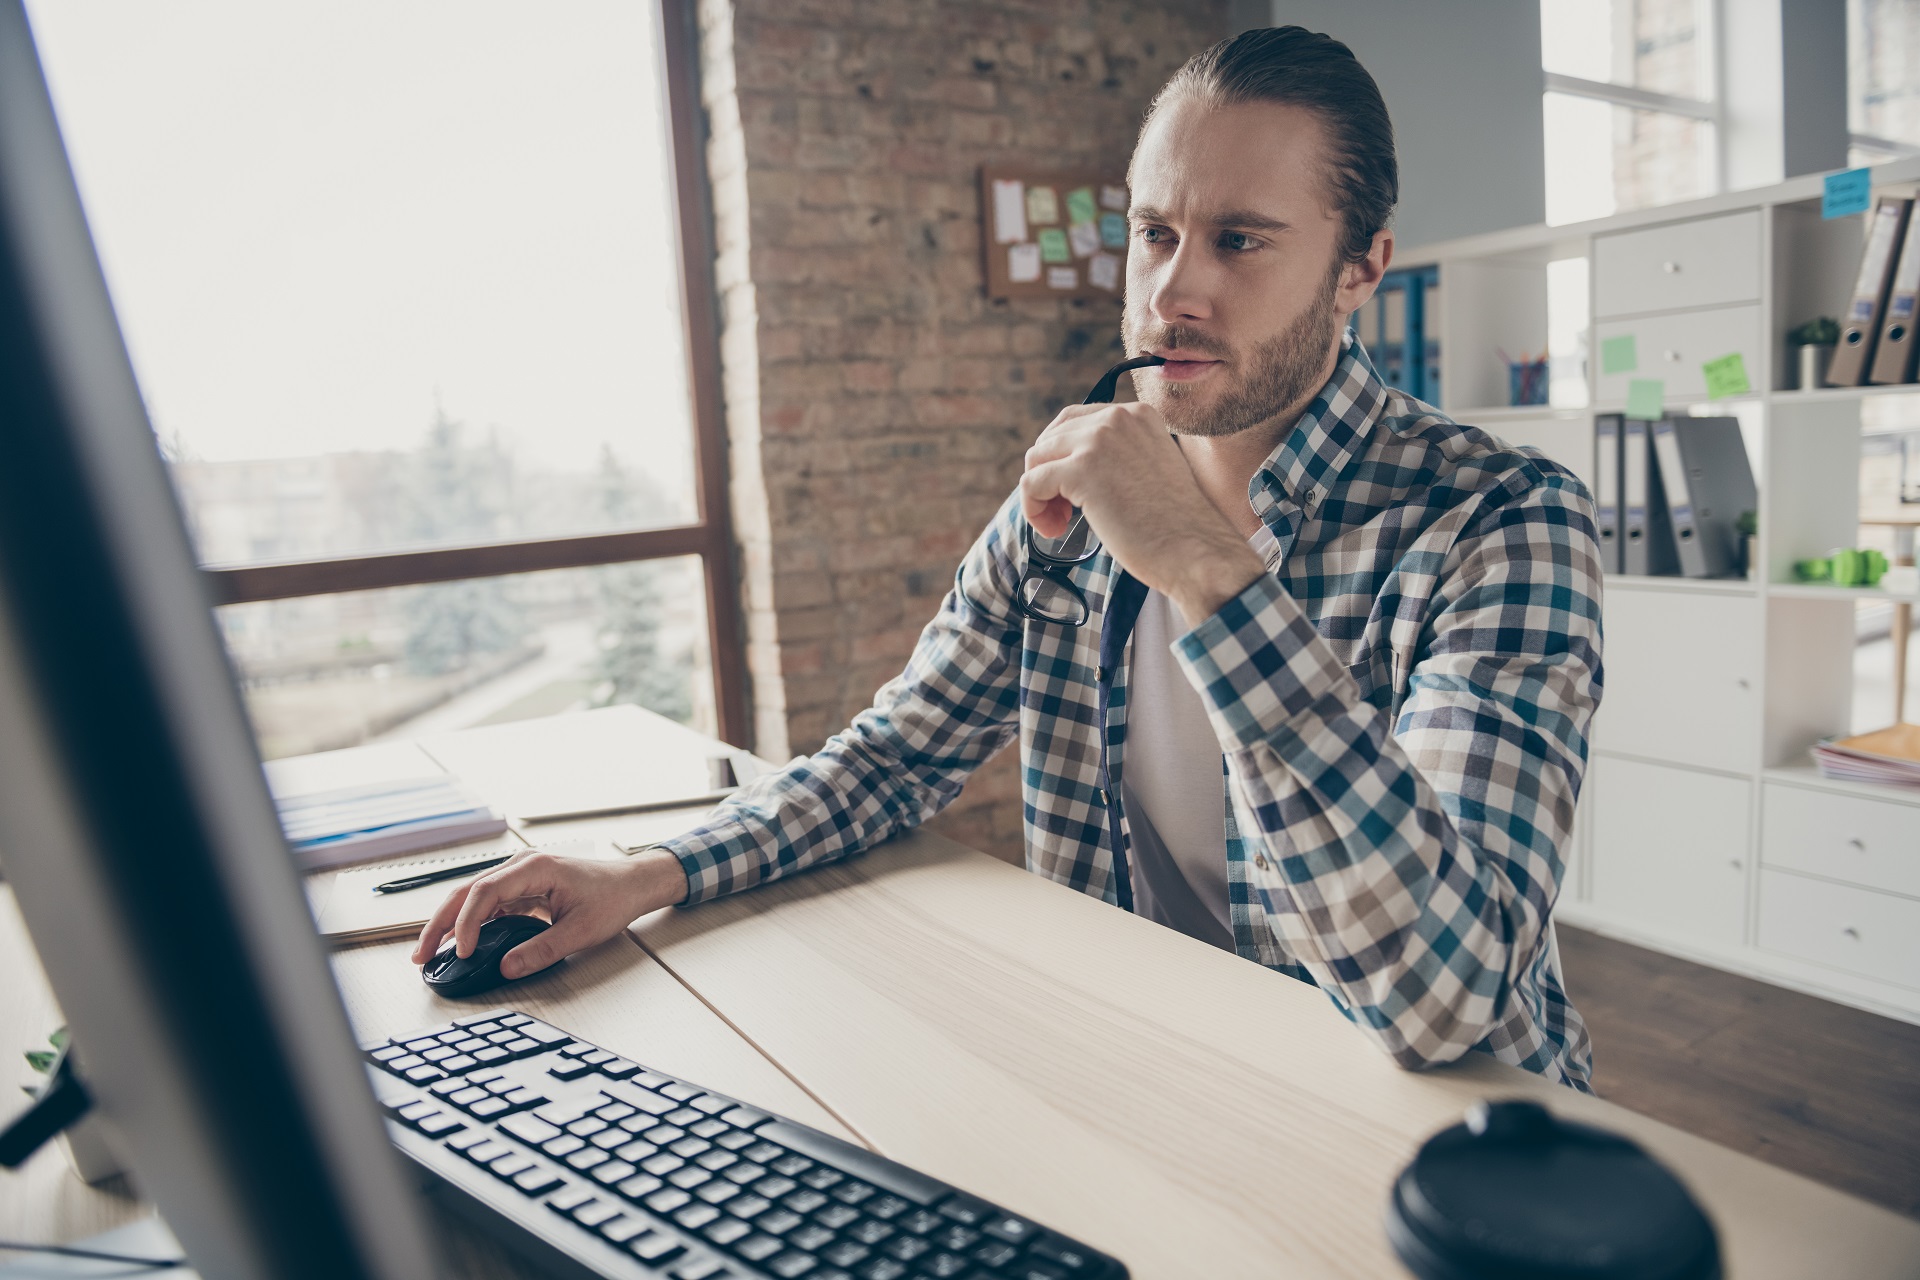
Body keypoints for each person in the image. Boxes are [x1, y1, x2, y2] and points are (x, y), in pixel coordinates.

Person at [414, 26, 1602, 1090]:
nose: (1173, 293)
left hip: (1454, 1133)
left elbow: (1448, 997)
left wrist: (1204, 567)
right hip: (1170, 1077)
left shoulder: (1501, 521)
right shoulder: (1078, 498)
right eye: (1155, 234)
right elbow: (895, 761)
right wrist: (647, 871)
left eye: (1241, 241)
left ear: (1361, 268)